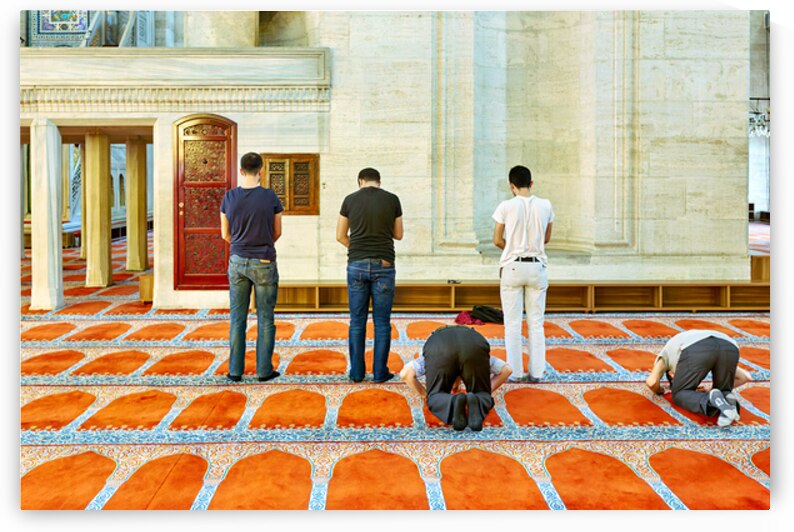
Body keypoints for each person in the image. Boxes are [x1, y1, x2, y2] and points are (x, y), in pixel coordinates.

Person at [336, 167, 403, 383]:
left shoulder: (349, 200)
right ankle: (380, 372)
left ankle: (356, 373)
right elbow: (398, 234)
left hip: (356, 265)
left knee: (357, 321)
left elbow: (340, 235)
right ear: (379, 182)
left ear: (360, 181)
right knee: (382, 322)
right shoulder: (392, 199)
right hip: (384, 264)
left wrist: (356, 250)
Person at [220, 152, 283, 382]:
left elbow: (225, 234)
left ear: (240, 171)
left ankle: (235, 371)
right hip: (265, 261)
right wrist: (261, 246)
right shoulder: (270, 197)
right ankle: (263, 371)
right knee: (266, 318)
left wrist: (242, 245)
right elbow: (277, 232)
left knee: (237, 317)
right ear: (261, 170)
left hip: (237, 261)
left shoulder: (229, 197)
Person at [492, 165, 554, 383]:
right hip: (537, 266)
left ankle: (515, 373)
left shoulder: (506, 206)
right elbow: (546, 239)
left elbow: (497, 239)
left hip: (513, 267)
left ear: (511, 185)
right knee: (536, 323)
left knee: (513, 323)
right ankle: (537, 373)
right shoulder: (546, 205)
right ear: (531, 183)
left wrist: (513, 249)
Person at [400, 325, 512, 431]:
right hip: (475, 345)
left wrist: (427, 395)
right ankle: (478, 399)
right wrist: (486, 391)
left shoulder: (429, 353)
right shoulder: (476, 345)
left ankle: (451, 402)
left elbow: (406, 374)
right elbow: (507, 370)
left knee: (436, 395)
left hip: (438, 348)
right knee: (481, 392)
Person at [645, 329, 754, 426]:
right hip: (730, 346)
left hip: (698, 347)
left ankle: (711, 401)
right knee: (723, 389)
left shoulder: (665, 357)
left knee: (679, 393)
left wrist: (661, 390)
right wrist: (712, 390)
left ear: (671, 374)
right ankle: (726, 396)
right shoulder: (681, 344)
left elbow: (651, 382)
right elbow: (745, 377)